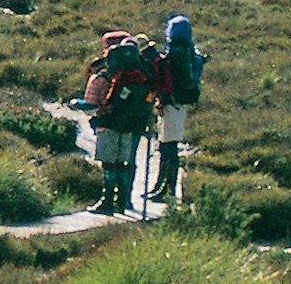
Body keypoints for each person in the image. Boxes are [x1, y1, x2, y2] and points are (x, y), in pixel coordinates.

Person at [83, 28, 162, 217]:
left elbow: (99, 102)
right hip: (132, 125)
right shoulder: (142, 72)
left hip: (110, 123)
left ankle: (107, 202)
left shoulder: (110, 74)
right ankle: (123, 201)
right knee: (124, 163)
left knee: (109, 164)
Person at [154, 13, 204, 207]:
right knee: (169, 145)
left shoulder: (176, 51)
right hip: (179, 103)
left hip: (172, 103)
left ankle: (166, 189)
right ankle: (164, 187)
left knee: (168, 147)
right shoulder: (189, 51)